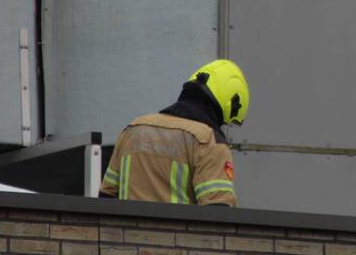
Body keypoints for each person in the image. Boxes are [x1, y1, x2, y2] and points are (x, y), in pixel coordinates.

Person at [99, 59, 248, 205]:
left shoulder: (133, 130)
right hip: (177, 231)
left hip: (128, 230)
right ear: (230, 103)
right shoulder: (209, 141)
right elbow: (218, 213)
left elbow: (106, 197)